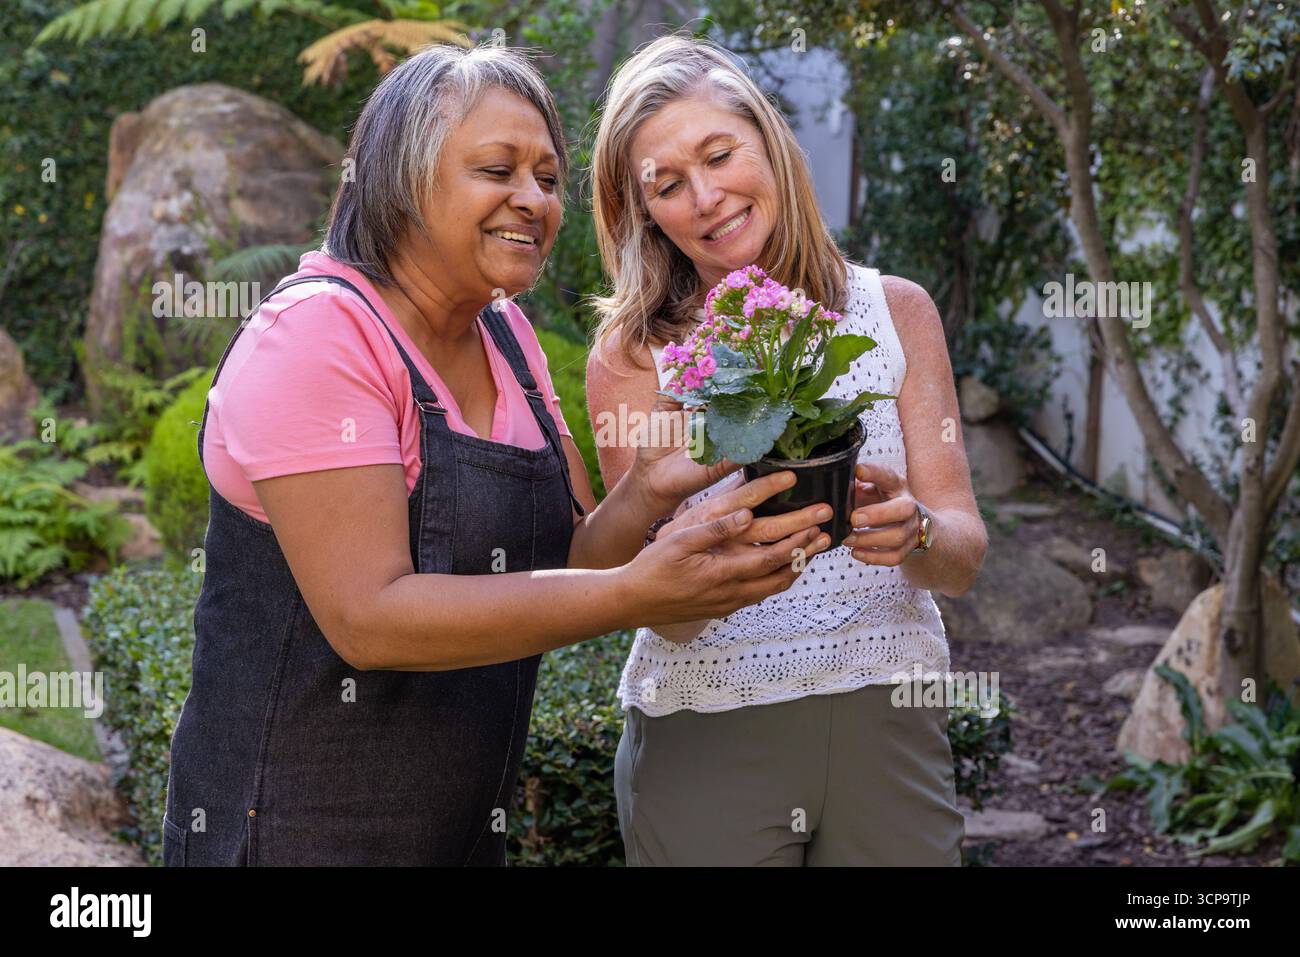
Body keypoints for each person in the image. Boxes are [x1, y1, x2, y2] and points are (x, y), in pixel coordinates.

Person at [162, 41, 832, 866]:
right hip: (292, 831)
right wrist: (636, 593)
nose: (534, 199)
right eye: (498, 169)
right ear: (403, 181)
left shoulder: (505, 333)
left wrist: (650, 491)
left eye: (548, 179)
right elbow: (369, 617)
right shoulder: (317, 337)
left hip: (456, 829)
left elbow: (573, 555)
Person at [587, 34, 989, 866]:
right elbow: (614, 581)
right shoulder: (637, 356)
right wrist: (707, 567)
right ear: (644, 213)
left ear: (768, 143)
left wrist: (914, 531)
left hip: (889, 712)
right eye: (666, 185)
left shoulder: (897, 311)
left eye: (719, 154)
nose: (704, 197)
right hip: (705, 727)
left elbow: (960, 556)